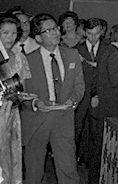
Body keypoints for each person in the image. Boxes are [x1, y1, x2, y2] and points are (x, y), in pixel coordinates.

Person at [20, 13, 84, 184]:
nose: (55, 32)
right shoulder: (27, 60)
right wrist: (35, 103)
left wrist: (73, 100)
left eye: (55, 28)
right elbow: (22, 93)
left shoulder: (72, 54)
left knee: (68, 168)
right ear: (38, 38)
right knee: (34, 171)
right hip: (37, 119)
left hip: (63, 117)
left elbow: (79, 86)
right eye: (48, 30)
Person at [89, 22, 118, 184]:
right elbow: (115, 81)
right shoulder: (114, 53)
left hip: (104, 105)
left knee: (99, 147)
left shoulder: (106, 50)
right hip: (112, 106)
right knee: (106, 147)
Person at [0, 13, 30, 184]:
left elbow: (21, 89)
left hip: (11, 114)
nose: (10, 37)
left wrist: (20, 97)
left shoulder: (20, 58)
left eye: (13, 33)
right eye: (5, 33)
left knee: (10, 156)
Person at [74, 18, 103, 166]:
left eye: (97, 33)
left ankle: (92, 160)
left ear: (101, 32)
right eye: (90, 33)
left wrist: (97, 94)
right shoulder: (76, 50)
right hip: (81, 94)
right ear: (85, 32)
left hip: (99, 93)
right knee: (78, 127)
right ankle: (75, 157)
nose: (93, 37)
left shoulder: (107, 49)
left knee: (95, 129)